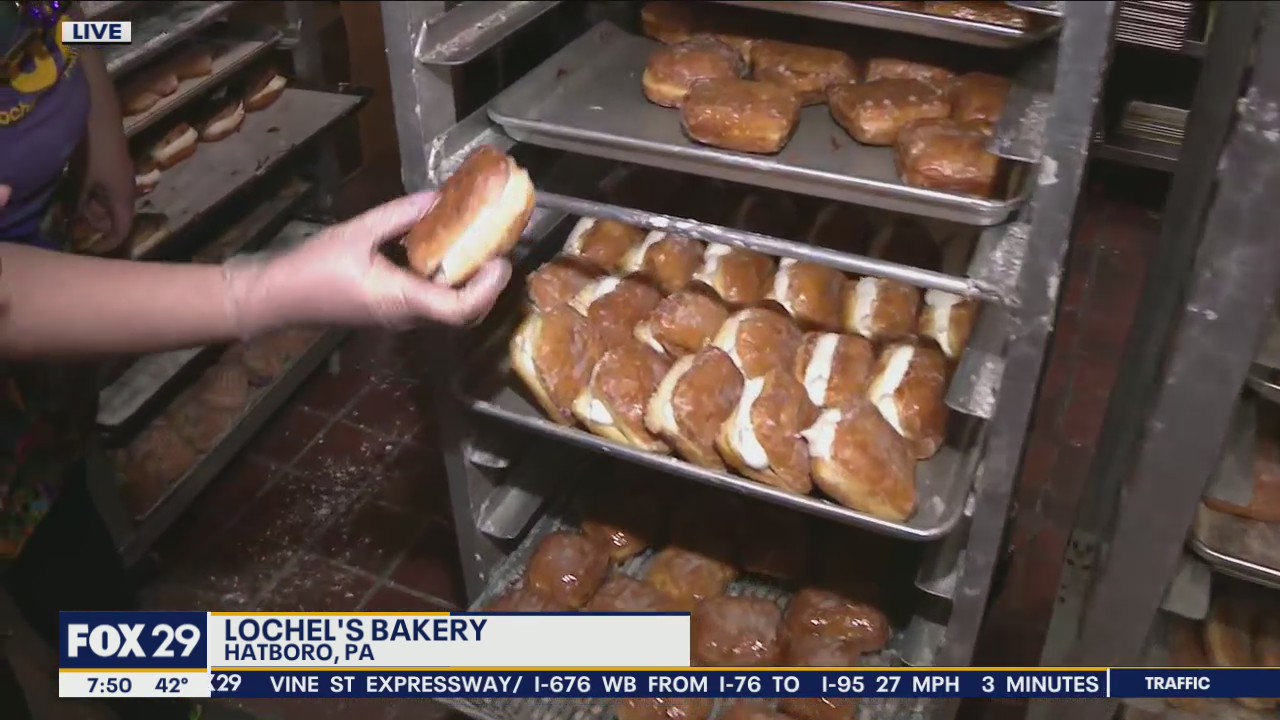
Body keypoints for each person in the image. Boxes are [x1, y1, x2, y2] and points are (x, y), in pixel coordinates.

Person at [0, 3, 515, 719]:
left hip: (45, 359)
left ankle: (146, 687)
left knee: (65, 528)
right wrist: (263, 290)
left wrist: (103, 131)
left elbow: (66, 23)